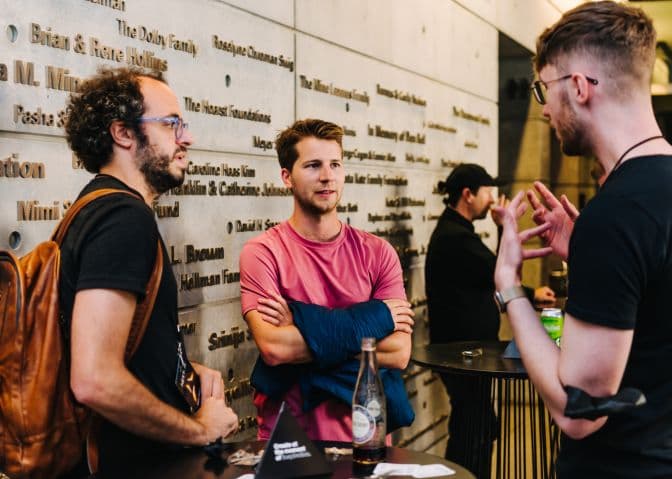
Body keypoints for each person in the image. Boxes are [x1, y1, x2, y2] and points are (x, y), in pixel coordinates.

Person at [493, 2, 672, 477]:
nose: (545, 110)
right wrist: (589, 255)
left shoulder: (618, 212)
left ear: (578, 86)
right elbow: (670, 310)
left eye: (545, 88)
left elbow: (580, 412)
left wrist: (510, 284)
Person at [61, 67, 238, 473]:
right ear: (123, 133)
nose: (186, 138)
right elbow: (93, 379)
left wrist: (177, 368)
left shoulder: (94, 208)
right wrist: (199, 429)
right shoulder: (124, 217)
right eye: (171, 124)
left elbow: (110, 347)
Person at [239, 118, 414, 441]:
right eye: (313, 165)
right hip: (289, 439)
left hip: (365, 435)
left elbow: (400, 352)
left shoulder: (378, 253)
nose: (327, 176)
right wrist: (372, 320)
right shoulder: (263, 252)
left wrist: (304, 324)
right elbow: (275, 348)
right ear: (286, 177)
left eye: (335, 164)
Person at [424, 163, 554, 475]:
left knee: (478, 424)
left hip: (469, 353)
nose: (494, 198)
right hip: (461, 354)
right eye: (488, 191)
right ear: (468, 195)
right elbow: (497, 273)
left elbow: (492, 273)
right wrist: (533, 293)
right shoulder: (455, 237)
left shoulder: (457, 232)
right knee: (474, 427)